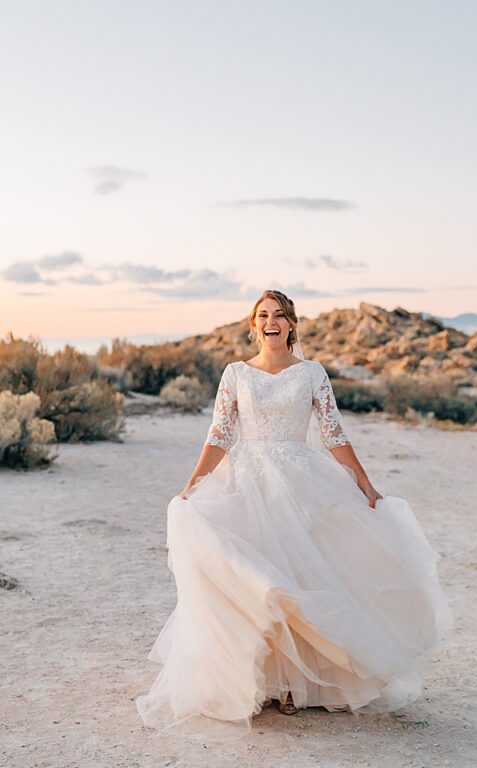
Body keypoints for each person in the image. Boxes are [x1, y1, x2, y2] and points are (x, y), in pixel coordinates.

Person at [136, 289, 451, 730]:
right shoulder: (235, 374)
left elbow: (333, 433)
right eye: (263, 315)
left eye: (279, 315)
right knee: (260, 578)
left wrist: (363, 481)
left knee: (302, 576)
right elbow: (220, 435)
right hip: (246, 482)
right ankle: (261, 679)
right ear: (253, 326)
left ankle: (294, 686)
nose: (271, 321)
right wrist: (194, 481)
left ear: (291, 325)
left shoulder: (312, 373)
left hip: (300, 479)